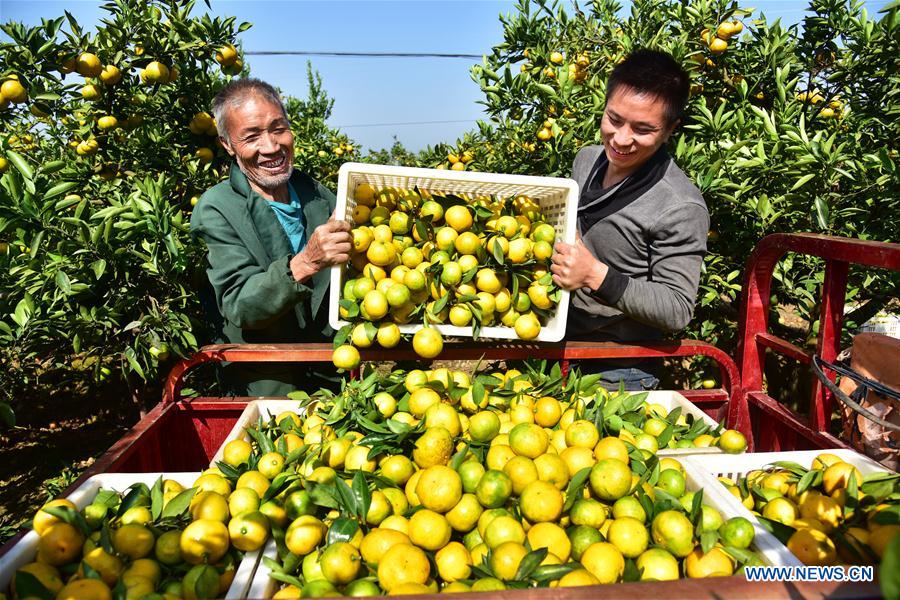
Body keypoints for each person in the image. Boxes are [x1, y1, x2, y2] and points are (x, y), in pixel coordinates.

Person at [551, 49, 709, 390]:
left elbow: (677, 308)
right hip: (555, 343)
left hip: (618, 368)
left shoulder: (679, 206)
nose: (621, 139)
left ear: (670, 129)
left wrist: (594, 274)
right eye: (614, 119)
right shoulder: (587, 159)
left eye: (643, 129)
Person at [190, 78, 352, 397]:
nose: (271, 146)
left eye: (278, 128)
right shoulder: (217, 209)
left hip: (336, 378)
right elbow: (239, 304)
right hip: (267, 385)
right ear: (227, 144)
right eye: (252, 136)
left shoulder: (320, 195)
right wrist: (305, 263)